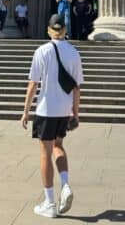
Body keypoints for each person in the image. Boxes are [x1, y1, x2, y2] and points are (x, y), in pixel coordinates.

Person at [21, 14, 84, 219]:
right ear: (64, 30)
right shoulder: (74, 53)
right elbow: (77, 89)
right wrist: (75, 112)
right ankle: (65, 185)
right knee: (59, 146)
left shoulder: (42, 51)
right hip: (64, 110)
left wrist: (25, 111)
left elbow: (33, 84)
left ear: (49, 30)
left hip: (46, 110)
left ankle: (49, 202)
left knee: (45, 152)